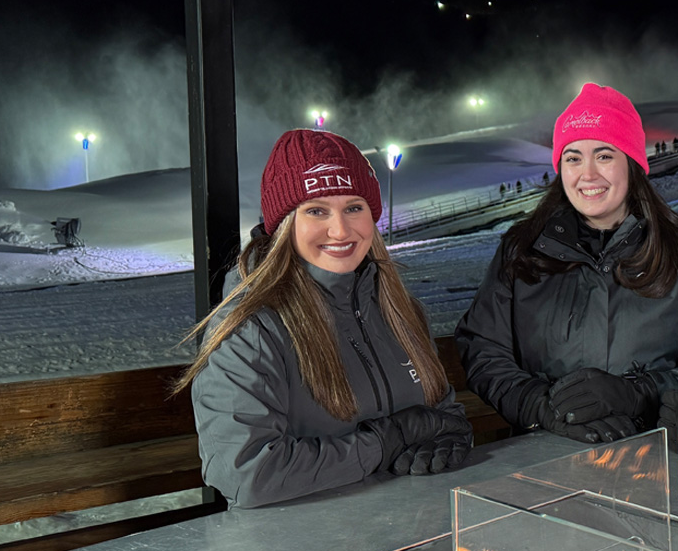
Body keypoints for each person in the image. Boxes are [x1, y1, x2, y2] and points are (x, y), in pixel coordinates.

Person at [176, 129, 473, 508]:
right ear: (285, 224)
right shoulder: (250, 326)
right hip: (298, 547)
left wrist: (451, 436)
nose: (340, 230)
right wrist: (384, 441)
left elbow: (441, 413)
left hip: (407, 525)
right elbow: (247, 473)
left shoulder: (398, 308)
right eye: (316, 210)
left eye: (354, 207)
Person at [455, 83, 678, 444]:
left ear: (631, 165)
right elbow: (484, 350)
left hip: (651, 453)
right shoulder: (521, 250)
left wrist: (637, 393)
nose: (588, 174)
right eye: (573, 157)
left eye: (604, 156)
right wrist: (541, 407)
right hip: (544, 453)